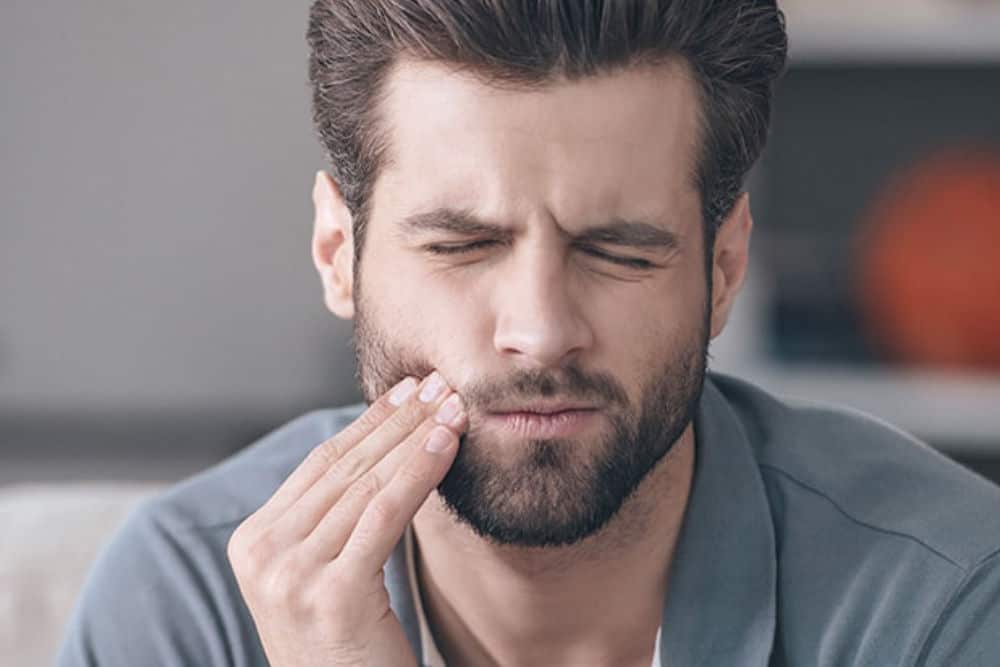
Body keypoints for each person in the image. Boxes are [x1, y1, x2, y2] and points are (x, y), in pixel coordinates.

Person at [58, 1, 1000, 665]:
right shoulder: (184, 607)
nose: (542, 332)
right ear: (338, 251)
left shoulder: (939, 602)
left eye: (620, 252)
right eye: (463, 245)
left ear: (722, 270)